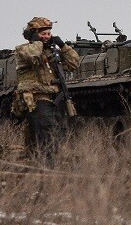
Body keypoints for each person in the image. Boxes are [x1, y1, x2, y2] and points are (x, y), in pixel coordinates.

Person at [14, 16, 80, 165]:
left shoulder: (52, 52)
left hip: (54, 99)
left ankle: (44, 163)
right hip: (36, 99)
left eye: (49, 34)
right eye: (43, 34)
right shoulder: (23, 50)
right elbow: (33, 54)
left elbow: (74, 63)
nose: (47, 37)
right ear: (33, 34)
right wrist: (37, 40)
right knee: (48, 134)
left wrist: (63, 46)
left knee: (59, 133)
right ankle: (48, 166)